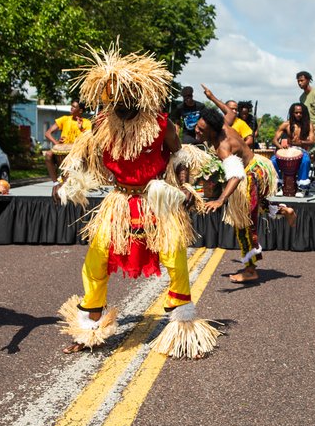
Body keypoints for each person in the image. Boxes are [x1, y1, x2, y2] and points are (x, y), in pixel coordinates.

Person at [55, 45, 218, 359]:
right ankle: (90, 327)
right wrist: (65, 181)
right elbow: (82, 156)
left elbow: (179, 155)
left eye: (130, 97)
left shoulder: (160, 124)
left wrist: (184, 185)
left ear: (140, 95)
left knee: (175, 257)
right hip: (119, 202)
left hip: (156, 200)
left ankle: (184, 332)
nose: (124, 103)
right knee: (97, 258)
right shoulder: (101, 124)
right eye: (117, 97)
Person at [196, 107, 296, 283]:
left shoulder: (223, 147)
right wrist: (211, 97)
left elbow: (236, 175)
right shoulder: (223, 124)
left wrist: (221, 200)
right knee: (257, 206)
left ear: (212, 130)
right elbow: (230, 113)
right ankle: (284, 210)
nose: (196, 130)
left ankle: (250, 270)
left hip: (250, 176)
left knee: (244, 223)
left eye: (201, 129)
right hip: (259, 165)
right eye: (197, 126)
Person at [43, 99, 91, 189]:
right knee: (48, 154)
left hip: (77, 152)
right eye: (71, 106)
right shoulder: (64, 119)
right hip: (61, 150)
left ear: (80, 110)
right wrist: (56, 143)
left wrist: (81, 128)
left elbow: (90, 138)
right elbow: (48, 133)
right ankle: (55, 183)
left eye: (74, 107)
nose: (71, 108)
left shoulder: (87, 123)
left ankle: (69, 181)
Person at [271, 103, 315, 196]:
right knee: (273, 160)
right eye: (296, 112)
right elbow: (274, 140)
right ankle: (278, 186)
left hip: (301, 150)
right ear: (292, 113)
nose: (298, 114)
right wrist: (281, 147)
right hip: (287, 150)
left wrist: (301, 142)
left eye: (300, 113)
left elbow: (312, 141)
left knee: (306, 161)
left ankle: (302, 188)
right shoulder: (286, 124)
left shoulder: (308, 125)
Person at [297, 70, 315, 135]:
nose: (299, 83)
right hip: (309, 128)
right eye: (298, 81)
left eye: (302, 80)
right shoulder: (301, 98)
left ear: (308, 80)